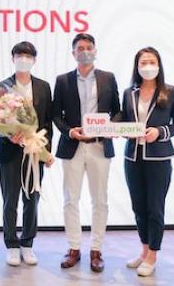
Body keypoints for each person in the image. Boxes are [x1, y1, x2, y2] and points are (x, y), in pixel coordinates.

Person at [52, 33, 120, 272]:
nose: (85, 51)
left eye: (89, 47)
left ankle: (96, 250)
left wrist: (110, 128)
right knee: (71, 199)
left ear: (95, 51)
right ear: (73, 53)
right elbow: (55, 115)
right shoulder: (63, 80)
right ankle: (73, 248)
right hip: (73, 147)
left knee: (100, 200)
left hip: (100, 146)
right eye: (80, 48)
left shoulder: (108, 78)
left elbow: (118, 111)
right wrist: (70, 131)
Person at [120, 47, 174, 277]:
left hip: (159, 158)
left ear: (159, 65)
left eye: (152, 62)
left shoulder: (170, 92)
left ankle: (153, 256)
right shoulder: (129, 93)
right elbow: (124, 120)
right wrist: (112, 128)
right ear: (137, 66)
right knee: (138, 207)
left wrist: (159, 132)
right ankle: (144, 251)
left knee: (155, 208)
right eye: (143, 62)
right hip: (133, 157)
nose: (147, 66)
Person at [0, 41, 54, 267]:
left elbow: (47, 122)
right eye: (20, 55)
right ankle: (11, 245)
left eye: (28, 56)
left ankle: (27, 244)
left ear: (34, 60)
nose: (24, 60)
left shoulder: (44, 87)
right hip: (8, 152)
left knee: (32, 200)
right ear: (13, 58)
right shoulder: (2, 87)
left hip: (34, 152)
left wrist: (46, 152)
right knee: (10, 200)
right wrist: (8, 135)